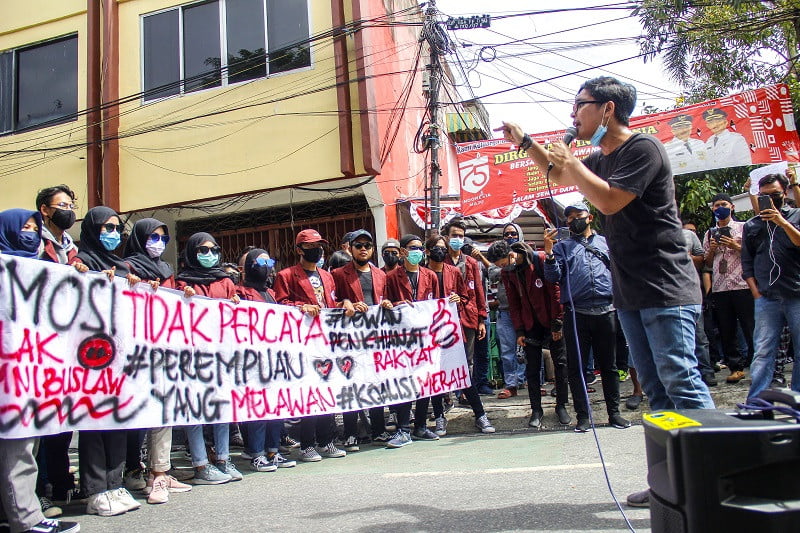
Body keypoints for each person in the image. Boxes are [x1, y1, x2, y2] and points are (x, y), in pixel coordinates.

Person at [495, 76, 714, 508]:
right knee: (656, 389)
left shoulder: (642, 148)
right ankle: (670, 485)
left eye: (581, 105)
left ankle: (711, 480)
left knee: (681, 381)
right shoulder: (600, 156)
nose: (573, 114)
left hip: (666, 287)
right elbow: (558, 171)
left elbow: (611, 201)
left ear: (607, 108)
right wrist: (526, 144)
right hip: (630, 292)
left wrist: (574, 165)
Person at [0, 209, 81, 533]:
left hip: (26, 374)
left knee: (23, 446)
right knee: (18, 449)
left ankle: (16, 515)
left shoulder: (38, 270)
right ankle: (27, 521)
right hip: (12, 374)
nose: (32, 233)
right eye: (25, 228)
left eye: (35, 228)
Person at [70, 206, 142, 516]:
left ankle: (116, 483)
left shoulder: (124, 267)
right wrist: (87, 278)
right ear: (91, 230)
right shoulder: (81, 262)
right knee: (94, 424)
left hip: (120, 358)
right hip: (89, 357)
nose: (112, 234)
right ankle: (95, 489)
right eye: (106, 229)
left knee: (117, 422)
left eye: (116, 229)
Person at [543, 202, 630, 432]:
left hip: (607, 310)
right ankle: (583, 416)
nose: (573, 220)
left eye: (577, 215)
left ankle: (615, 413)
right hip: (576, 313)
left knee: (609, 366)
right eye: (569, 218)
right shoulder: (562, 247)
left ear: (589, 217)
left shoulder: (605, 242)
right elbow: (553, 277)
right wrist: (549, 252)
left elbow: (620, 271)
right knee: (577, 367)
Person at [122, 219, 192, 504]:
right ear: (140, 238)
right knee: (137, 413)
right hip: (135, 351)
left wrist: (182, 295)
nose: (159, 243)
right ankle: (132, 469)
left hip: (163, 348)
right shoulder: (127, 267)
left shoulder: (166, 270)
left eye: (163, 238)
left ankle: (159, 473)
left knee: (163, 409)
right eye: (153, 237)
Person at [273, 229, 352, 461]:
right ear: (299, 250)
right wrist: (301, 307)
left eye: (319, 245)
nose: (317, 250)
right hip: (303, 344)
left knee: (327, 391)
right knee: (309, 393)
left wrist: (344, 303)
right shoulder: (286, 276)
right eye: (311, 246)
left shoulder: (326, 276)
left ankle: (327, 440)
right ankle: (307, 444)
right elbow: (280, 306)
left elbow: (330, 302)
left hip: (326, 343)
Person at [175, 232, 242, 485]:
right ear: (191, 252)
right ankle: (201, 463)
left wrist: (236, 302)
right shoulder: (182, 283)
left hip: (221, 355)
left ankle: (223, 459)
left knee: (221, 408)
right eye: (202, 250)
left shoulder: (225, 281)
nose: (209, 255)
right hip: (193, 356)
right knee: (196, 410)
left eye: (213, 250)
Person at [415, 236, 495, 438]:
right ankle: (440, 415)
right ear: (428, 251)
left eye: (443, 248)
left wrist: (460, 300)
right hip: (429, 333)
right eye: (436, 248)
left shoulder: (455, 271)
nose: (440, 251)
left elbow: (467, 295)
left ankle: (480, 414)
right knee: (435, 376)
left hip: (453, 329)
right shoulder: (422, 273)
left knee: (462, 373)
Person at [493, 240, 571, 429]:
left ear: (511, 253)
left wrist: (557, 324)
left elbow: (555, 292)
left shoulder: (540, 260)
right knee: (532, 369)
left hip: (551, 319)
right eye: (501, 266)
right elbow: (513, 303)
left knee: (560, 364)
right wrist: (519, 330)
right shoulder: (508, 273)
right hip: (529, 324)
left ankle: (561, 406)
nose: (504, 267)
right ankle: (536, 410)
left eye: (504, 263)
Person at [236, 248, 298, 471]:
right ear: (251, 266)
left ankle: (273, 450)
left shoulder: (270, 293)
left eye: (269, 262)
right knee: (258, 410)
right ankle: (256, 453)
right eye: (261, 263)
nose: (267, 268)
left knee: (275, 408)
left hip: (274, 359)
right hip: (253, 362)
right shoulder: (240, 292)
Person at [742, 173, 800, 399]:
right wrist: (755, 291)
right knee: (764, 351)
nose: (770, 200)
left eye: (775, 195)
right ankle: (757, 401)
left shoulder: (796, 215)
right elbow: (747, 262)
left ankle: (797, 399)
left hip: (796, 293)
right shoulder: (752, 224)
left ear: (785, 193)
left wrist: (782, 222)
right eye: (764, 196)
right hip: (767, 296)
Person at [383, 234, 440, 448]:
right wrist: (397, 303)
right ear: (404, 251)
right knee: (405, 381)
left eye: (420, 248)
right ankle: (403, 429)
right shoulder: (391, 276)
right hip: (402, 338)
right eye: (412, 248)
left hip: (425, 336)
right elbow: (386, 302)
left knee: (424, 381)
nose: (417, 252)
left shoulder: (430, 275)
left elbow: (436, 304)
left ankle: (421, 427)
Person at [702, 193, 754, 384]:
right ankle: (736, 367)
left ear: (732, 207)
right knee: (727, 329)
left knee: (750, 327)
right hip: (720, 287)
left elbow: (753, 253)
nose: (720, 208)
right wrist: (713, 249)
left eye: (723, 204)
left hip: (742, 284)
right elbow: (706, 263)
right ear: (712, 209)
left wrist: (734, 244)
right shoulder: (709, 233)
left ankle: (758, 364)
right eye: (716, 205)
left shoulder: (744, 227)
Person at [35, 185, 79, 265]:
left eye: (71, 206)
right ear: (44, 210)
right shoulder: (36, 243)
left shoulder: (73, 249)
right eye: (62, 205)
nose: (69, 210)